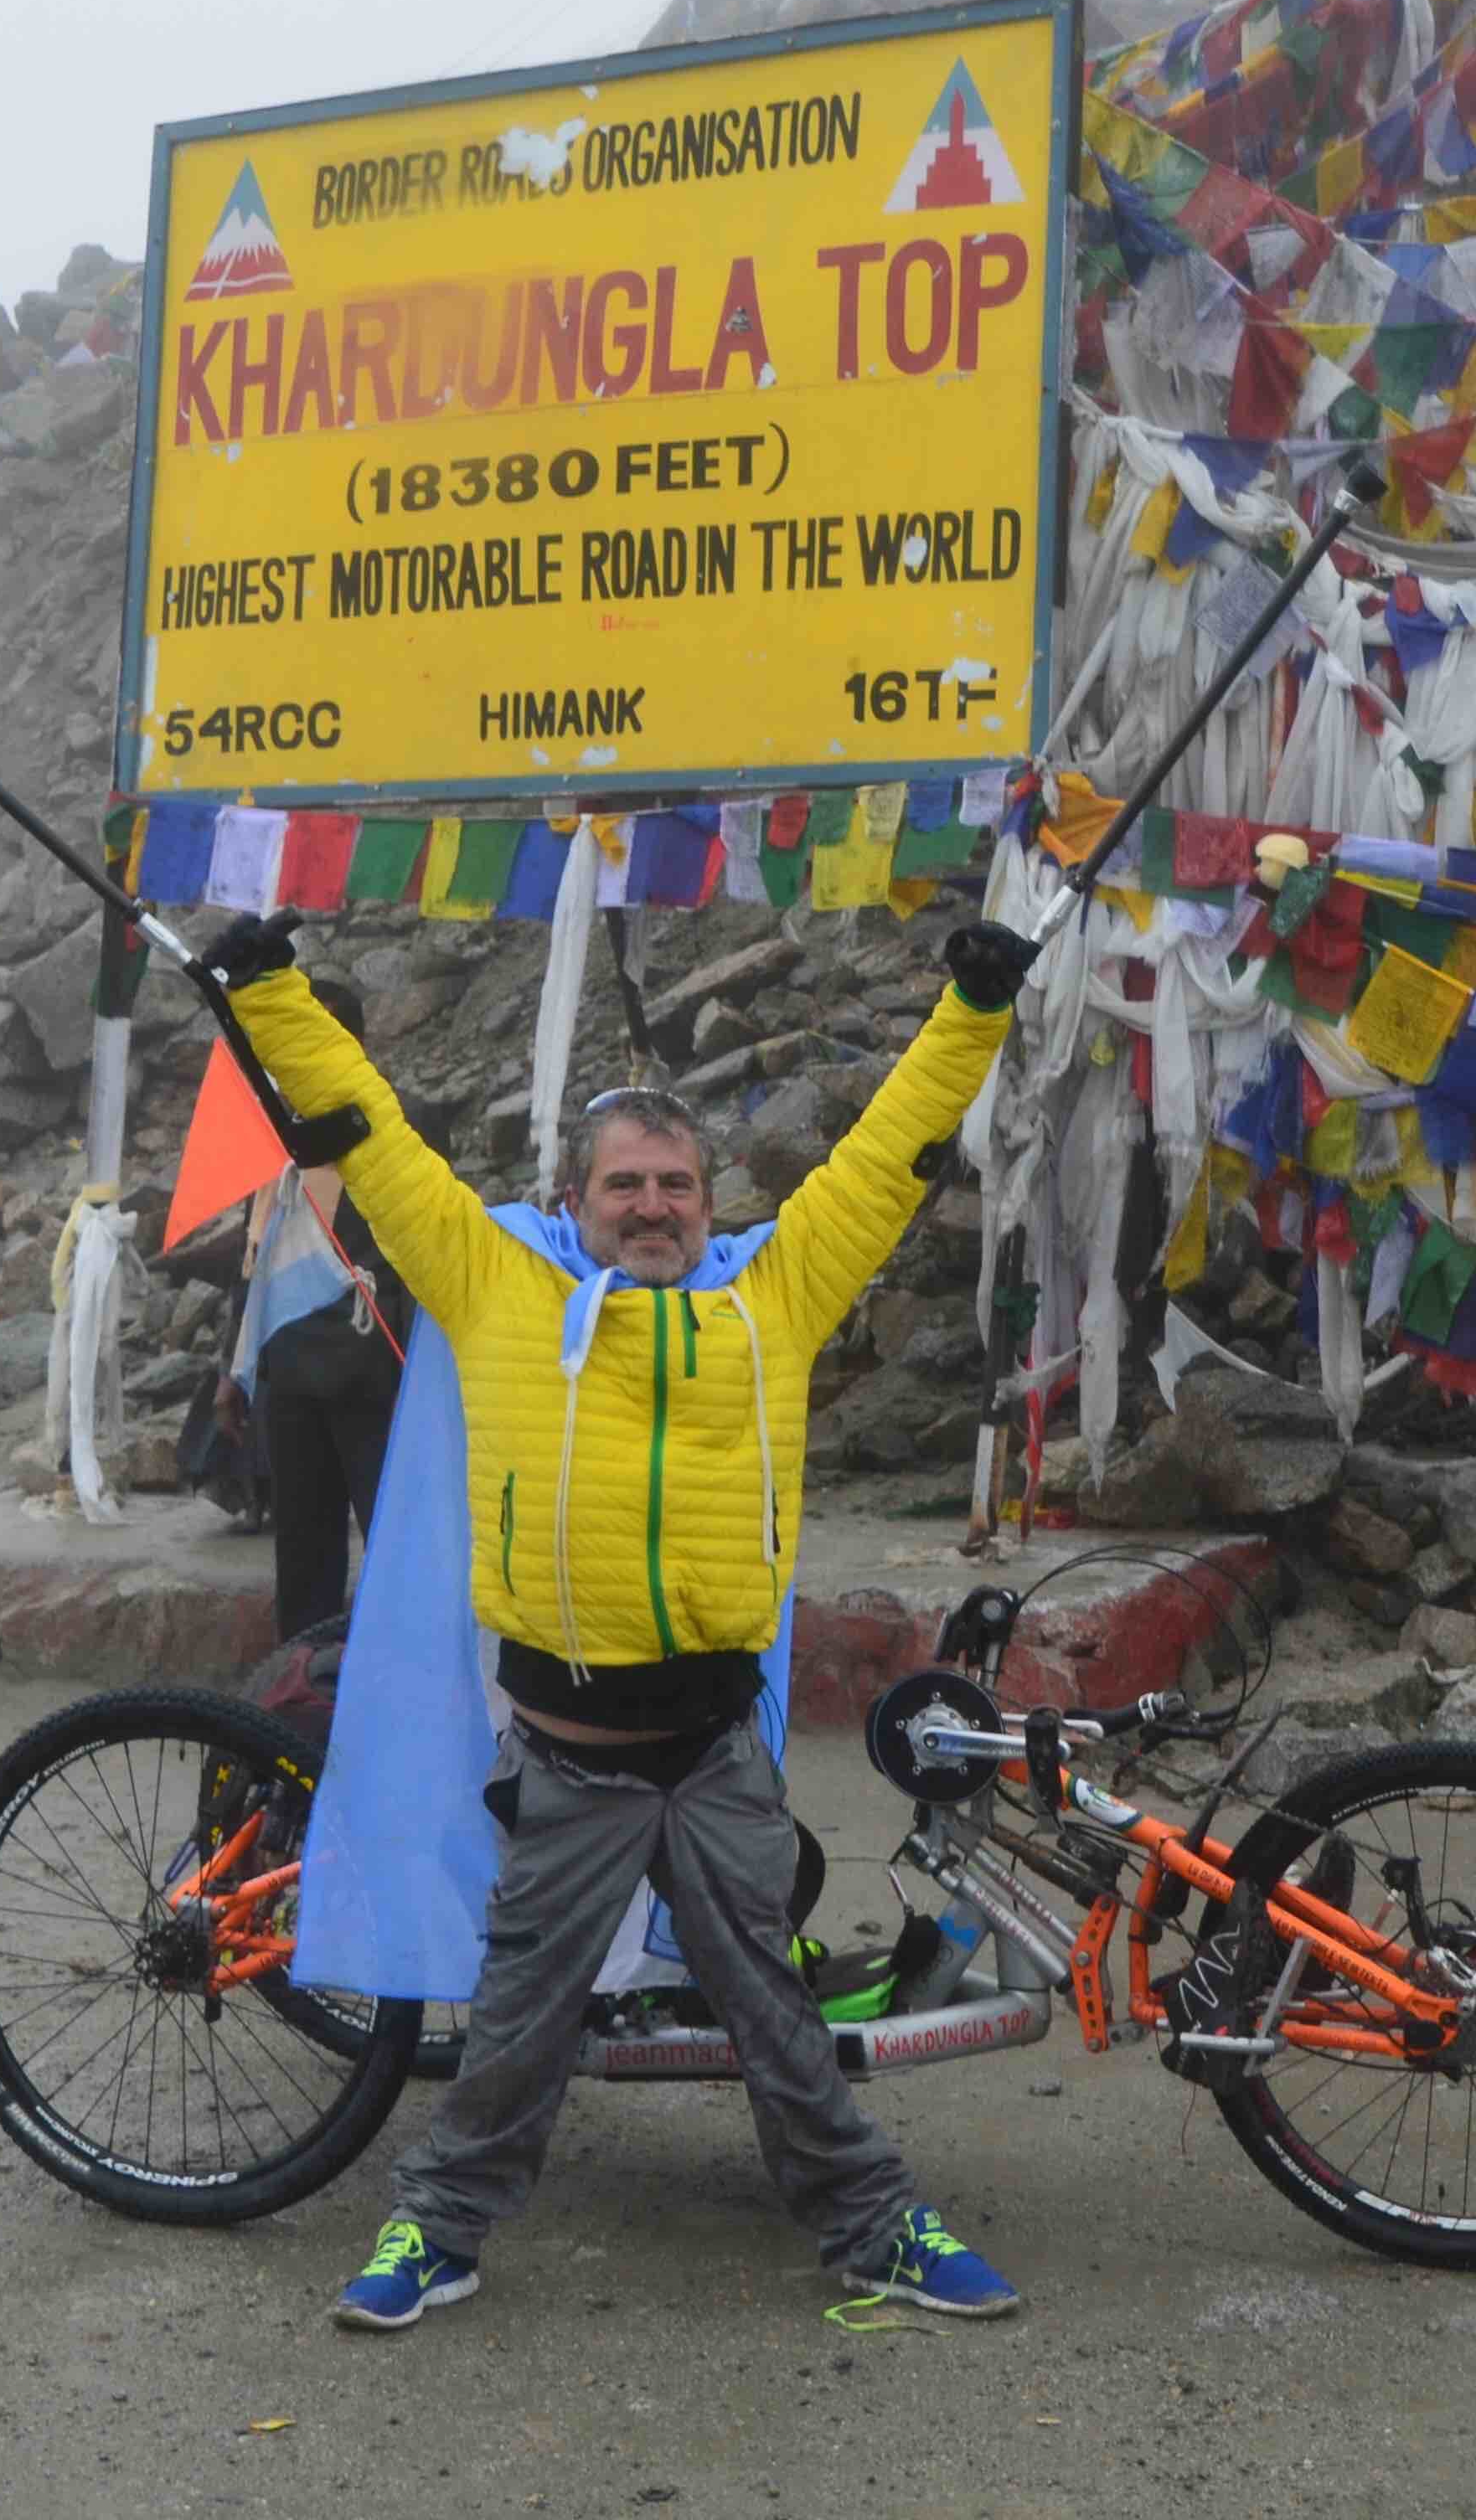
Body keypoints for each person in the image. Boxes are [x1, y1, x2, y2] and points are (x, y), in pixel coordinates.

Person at [207, 904, 1040, 2334]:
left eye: (675, 1184)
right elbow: (366, 1131)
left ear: (706, 1199)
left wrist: (970, 1009)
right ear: (574, 1197)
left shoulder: (773, 1296)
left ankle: (871, 2222)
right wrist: (267, 987)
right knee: (518, 2021)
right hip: (569, 1757)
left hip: (714, 1752)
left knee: (772, 2016)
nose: (653, 1205)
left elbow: (890, 1158)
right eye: (624, 1185)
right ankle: (439, 2229)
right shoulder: (499, 1289)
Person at [219, 978, 410, 1641]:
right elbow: (257, 1261)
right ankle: (303, 1692)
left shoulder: (393, 1136)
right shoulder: (274, 1145)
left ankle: (398, 1679)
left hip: (371, 1375)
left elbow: (423, 1256)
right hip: (291, 1375)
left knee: (393, 1536)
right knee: (303, 1550)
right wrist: (233, 1370)